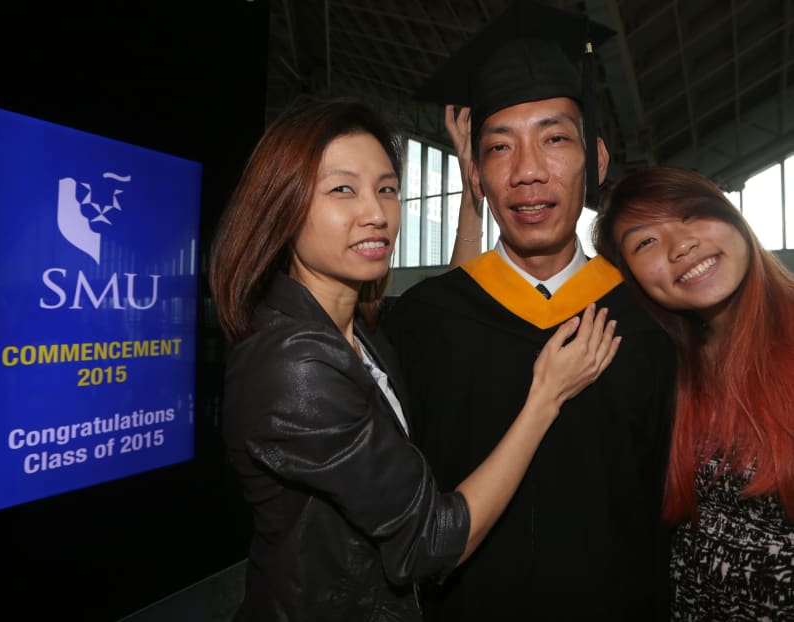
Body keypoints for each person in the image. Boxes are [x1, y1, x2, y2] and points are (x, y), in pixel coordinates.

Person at [208, 97, 621, 621]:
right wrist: (546, 396)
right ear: (282, 207)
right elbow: (431, 541)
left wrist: (474, 201)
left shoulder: (354, 327)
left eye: (387, 189)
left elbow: (447, 310)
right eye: (342, 190)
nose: (376, 214)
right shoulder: (296, 369)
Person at [380, 1, 678, 620]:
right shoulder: (423, 324)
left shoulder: (651, 324)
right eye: (499, 148)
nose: (529, 172)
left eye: (554, 139)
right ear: (479, 176)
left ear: (595, 161)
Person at [593, 165, 794, 621]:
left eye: (689, 214)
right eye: (645, 241)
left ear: (733, 218)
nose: (680, 245)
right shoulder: (663, 376)